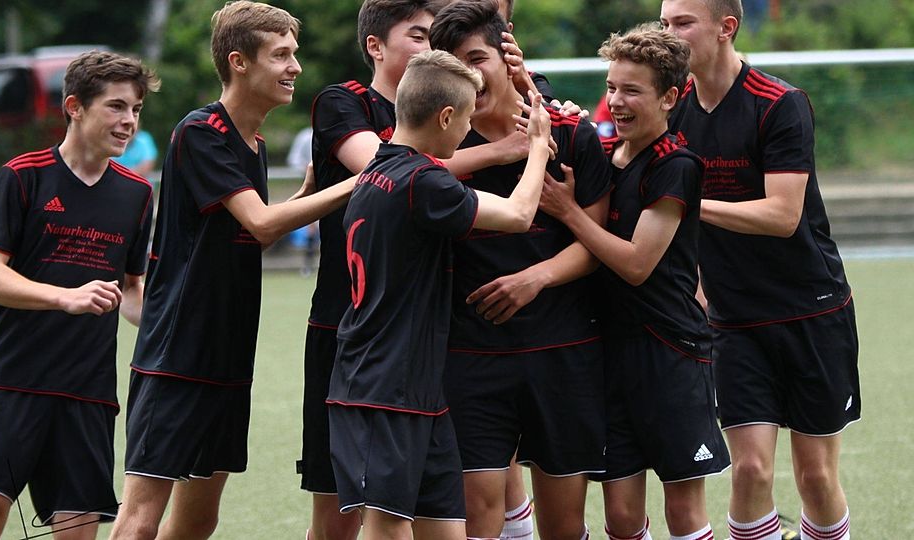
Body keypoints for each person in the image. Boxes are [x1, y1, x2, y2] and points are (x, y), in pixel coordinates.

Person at [301, 1, 558, 537]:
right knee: (387, 529)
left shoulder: (379, 170)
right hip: (379, 390)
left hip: (419, 391)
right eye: (464, 121)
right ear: (444, 117)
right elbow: (518, 215)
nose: (466, 133)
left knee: (445, 527)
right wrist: (536, 146)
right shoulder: (422, 181)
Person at [108, 3, 357, 539]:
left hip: (229, 354)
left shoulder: (255, 143)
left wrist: (307, 193)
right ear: (239, 62)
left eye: (294, 54)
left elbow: (249, 236)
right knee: (140, 521)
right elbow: (262, 223)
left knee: (200, 519)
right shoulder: (201, 130)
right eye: (281, 55)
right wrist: (362, 179)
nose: (295, 67)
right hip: (177, 356)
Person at [660, 1, 860, 539]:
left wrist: (688, 203)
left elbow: (782, 215)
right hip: (732, 319)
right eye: (664, 22)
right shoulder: (673, 110)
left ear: (726, 28)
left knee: (816, 476)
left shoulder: (779, 103)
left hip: (810, 311)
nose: (669, 34)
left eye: (683, 22)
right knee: (749, 469)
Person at [0, 50, 159, 540]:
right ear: (75, 107)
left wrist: (174, 323)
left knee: (77, 530)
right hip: (13, 379)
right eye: (116, 106)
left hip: (88, 388)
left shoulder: (137, 193)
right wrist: (64, 297)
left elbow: (131, 290)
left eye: (135, 109)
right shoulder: (23, 175)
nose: (129, 121)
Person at [430, 2, 613, 539]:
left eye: (477, 58)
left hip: (562, 352)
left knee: (563, 524)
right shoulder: (440, 149)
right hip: (470, 358)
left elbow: (596, 242)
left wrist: (537, 277)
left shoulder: (571, 133)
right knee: (475, 517)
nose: (469, 75)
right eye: (453, 64)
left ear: (507, 55)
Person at [541, 24, 730, 540]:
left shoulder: (677, 166)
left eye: (631, 90)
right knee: (622, 516)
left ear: (670, 98)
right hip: (608, 353)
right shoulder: (605, 155)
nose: (617, 102)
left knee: (683, 511)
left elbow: (635, 264)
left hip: (671, 354)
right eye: (611, 88)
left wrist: (569, 212)